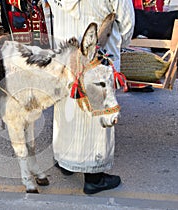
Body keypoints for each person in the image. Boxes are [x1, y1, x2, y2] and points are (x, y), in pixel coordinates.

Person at [46, 0, 135, 194]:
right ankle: (94, 177)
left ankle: (66, 161)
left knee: (67, 106)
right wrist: (120, 43)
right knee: (97, 113)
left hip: (66, 52)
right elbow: (127, 21)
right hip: (99, 56)